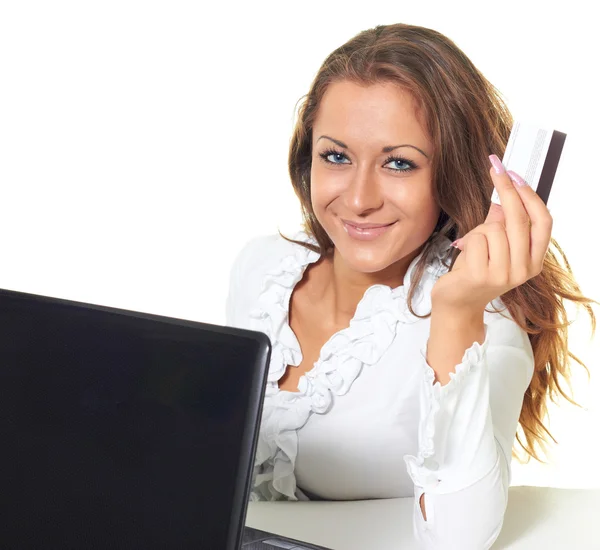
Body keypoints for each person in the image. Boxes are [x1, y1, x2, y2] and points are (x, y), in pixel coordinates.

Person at [225, 23, 597, 549]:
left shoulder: (484, 332)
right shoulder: (261, 268)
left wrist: (457, 313)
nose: (358, 199)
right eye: (336, 156)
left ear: (451, 173)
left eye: (398, 163)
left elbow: (458, 540)